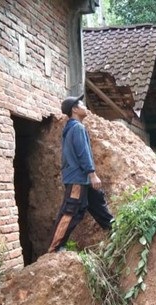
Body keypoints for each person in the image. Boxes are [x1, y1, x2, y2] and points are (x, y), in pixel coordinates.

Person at [47, 94, 113, 253]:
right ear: (75, 109)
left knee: (97, 203)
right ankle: (55, 247)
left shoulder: (73, 127)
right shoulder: (77, 127)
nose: (85, 107)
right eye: (82, 105)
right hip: (78, 178)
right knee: (70, 210)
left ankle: (113, 230)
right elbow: (82, 153)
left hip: (82, 178)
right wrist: (92, 174)